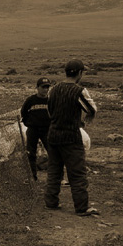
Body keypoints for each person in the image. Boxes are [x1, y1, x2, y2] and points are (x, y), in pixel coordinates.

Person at [44, 59, 99, 217]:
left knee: (54, 171)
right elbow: (91, 108)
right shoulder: (79, 90)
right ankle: (81, 207)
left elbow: (50, 110)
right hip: (70, 136)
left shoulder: (53, 89)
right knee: (77, 173)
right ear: (80, 73)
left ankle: (51, 202)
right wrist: (85, 119)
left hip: (53, 134)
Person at [20, 76, 52, 181]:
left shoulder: (51, 100)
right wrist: (28, 123)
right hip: (33, 130)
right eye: (43, 87)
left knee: (53, 153)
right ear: (37, 88)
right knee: (30, 153)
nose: (45, 89)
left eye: (47, 87)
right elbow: (23, 112)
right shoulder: (31, 100)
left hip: (47, 130)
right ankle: (32, 177)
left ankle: (57, 177)